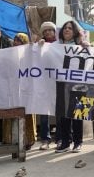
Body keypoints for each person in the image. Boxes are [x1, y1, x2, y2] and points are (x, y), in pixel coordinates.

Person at [55, 20, 86, 153]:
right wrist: (41, 45)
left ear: (75, 32)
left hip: (77, 84)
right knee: (63, 115)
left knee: (77, 114)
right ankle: (66, 142)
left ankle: (78, 142)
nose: (67, 30)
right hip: (61, 84)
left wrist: (87, 46)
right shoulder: (55, 46)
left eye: (70, 28)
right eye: (65, 28)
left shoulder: (81, 46)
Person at [2, 33, 37, 150]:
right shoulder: (8, 55)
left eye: (20, 41)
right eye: (16, 40)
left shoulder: (30, 55)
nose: (17, 43)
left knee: (26, 113)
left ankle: (27, 140)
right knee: (11, 111)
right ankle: (10, 139)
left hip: (26, 89)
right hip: (12, 88)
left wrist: (33, 49)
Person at [38, 21, 57, 150]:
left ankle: (61, 138)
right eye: (45, 31)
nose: (48, 32)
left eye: (50, 30)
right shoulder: (39, 44)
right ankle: (45, 139)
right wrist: (37, 47)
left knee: (60, 111)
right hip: (44, 82)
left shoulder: (61, 44)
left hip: (58, 82)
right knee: (44, 112)